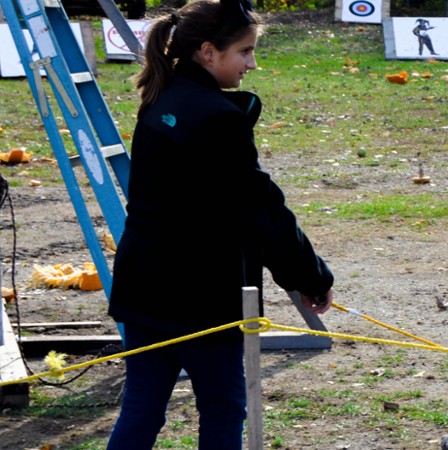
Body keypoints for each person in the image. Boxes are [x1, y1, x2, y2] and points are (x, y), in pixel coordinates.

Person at [105, 0, 335, 448]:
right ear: (208, 52)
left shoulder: (161, 98)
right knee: (224, 408)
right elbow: (260, 209)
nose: (252, 63)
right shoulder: (218, 118)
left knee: (141, 409)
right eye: (244, 52)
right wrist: (311, 276)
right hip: (202, 295)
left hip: (144, 287)